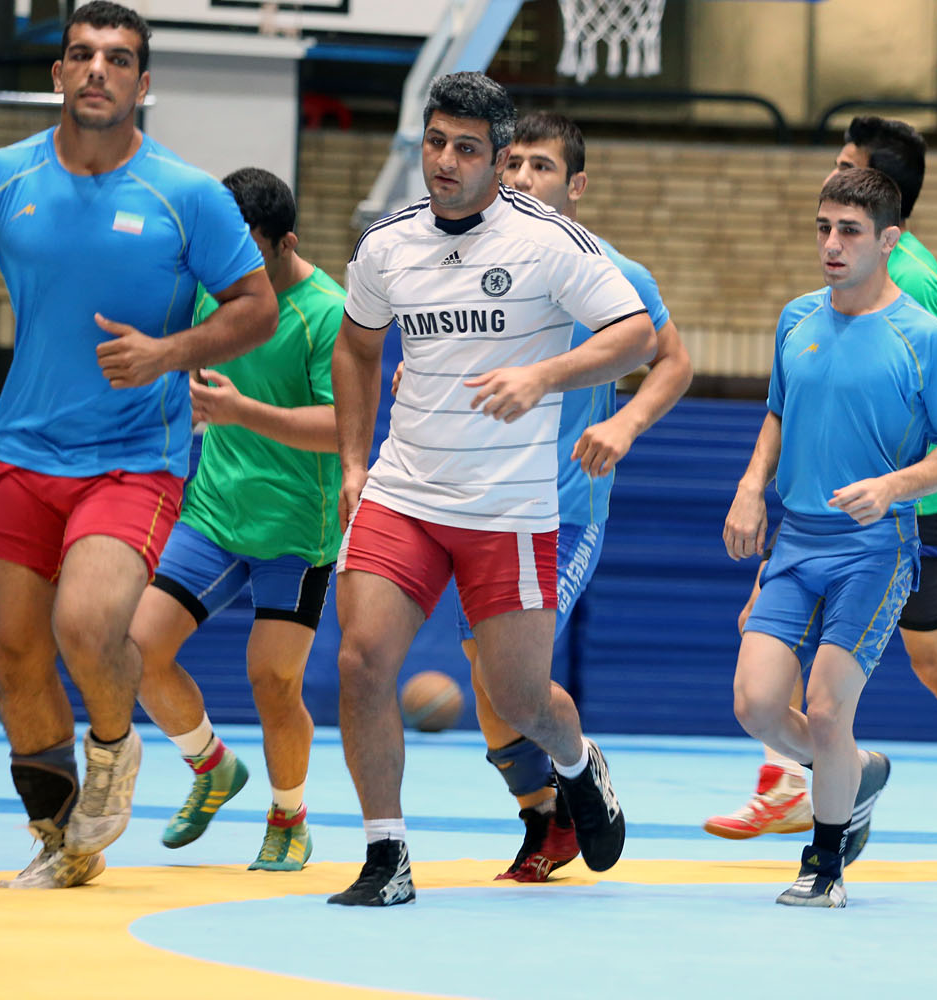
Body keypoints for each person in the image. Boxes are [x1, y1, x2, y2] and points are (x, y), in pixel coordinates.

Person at [0, 1, 276, 889]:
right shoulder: (3, 177)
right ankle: (58, 836)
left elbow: (255, 307)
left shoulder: (188, 195)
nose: (98, 68)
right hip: (25, 452)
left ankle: (114, 747)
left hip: (134, 457)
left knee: (87, 622)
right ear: (59, 73)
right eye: (82, 54)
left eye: (118, 58)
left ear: (143, 84)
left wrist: (168, 354)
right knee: (11, 648)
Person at [327, 72, 657, 907]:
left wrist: (543, 375)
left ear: (499, 157)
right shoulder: (387, 243)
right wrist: (355, 463)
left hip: (507, 509)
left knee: (517, 699)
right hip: (405, 492)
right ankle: (386, 854)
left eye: (466, 149)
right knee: (363, 661)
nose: (445, 161)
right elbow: (356, 346)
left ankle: (578, 763)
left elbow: (637, 337)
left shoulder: (549, 243)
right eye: (436, 142)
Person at [707, 117, 937, 875]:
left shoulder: (913, 289)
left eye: (846, 166)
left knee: (931, 658)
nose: (831, 233)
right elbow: (791, 408)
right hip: (813, 518)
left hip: (900, 511)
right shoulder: (804, 310)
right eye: (824, 222)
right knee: (773, 673)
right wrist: (754, 489)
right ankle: (806, 774)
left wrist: (897, 493)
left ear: (886, 223)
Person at [433, 111, 691, 882]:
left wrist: (628, 423)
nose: (520, 178)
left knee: (508, 677)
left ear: (575, 186)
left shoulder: (614, 274)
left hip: (563, 511)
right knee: (488, 678)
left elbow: (674, 361)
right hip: (480, 506)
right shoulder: (468, 262)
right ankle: (545, 817)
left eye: (540, 166)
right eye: (511, 163)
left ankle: (578, 768)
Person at [127, 167, 343, 872]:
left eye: (248, 248)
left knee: (272, 683)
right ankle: (211, 765)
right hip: (215, 514)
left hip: (297, 531)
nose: (232, 263)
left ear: (286, 244)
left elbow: (343, 428)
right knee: (134, 651)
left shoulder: (328, 313)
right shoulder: (209, 293)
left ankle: (289, 818)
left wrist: (241, 412)